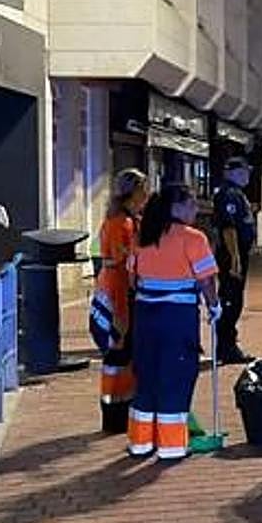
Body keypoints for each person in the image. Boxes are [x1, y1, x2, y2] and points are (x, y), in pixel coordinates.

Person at [126, 183, 221, 461]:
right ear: (175, 207)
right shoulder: (193, 238)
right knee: (175, 376)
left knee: (147, 374)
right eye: (190, 204)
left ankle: (141, 443)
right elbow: (206, 279)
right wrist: (214, 305)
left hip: (144, 314)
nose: (194, 209)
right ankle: (171, 446)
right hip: (177, 317)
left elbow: (133, 278)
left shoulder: (143, 236)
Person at [94, 168, 149, 433]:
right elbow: (124, 260)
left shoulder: (122, 220)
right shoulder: (122, 223)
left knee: (120, 354)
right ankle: (116, 414)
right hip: (118, 291)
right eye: (143, 188)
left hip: (117, 289)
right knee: (119, 352)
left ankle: (119, 408)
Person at [213, 156, 256, 364]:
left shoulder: (236, 193)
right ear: (232, 172)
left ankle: (227, 343)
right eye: (244, 171)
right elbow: (228, 228)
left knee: (234, 298)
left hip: (237, 252)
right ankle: (225, 346)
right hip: (232, 253)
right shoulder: (228, 194)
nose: (247, 175)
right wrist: (234, 257)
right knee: (231, 300)